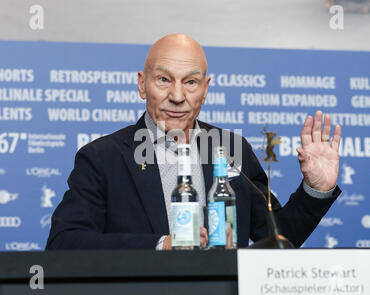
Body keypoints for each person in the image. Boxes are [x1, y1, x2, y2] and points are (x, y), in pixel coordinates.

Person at [45, 34, 342, 250]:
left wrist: (316, 189)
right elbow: (65, 242)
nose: (177, 96)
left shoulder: (232, 150)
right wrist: (161, 246)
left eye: (190, 82)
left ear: (205, 89)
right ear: (141, 84)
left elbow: (277, 239)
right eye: (164, 80)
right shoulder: (102, 157)